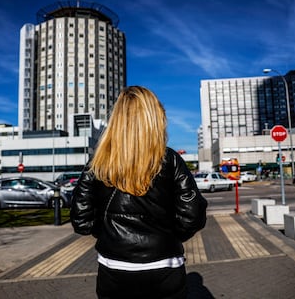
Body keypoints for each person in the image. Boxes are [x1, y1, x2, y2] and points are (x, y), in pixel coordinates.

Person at [71, 86, 208, 299]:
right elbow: (193, 217)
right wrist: (167, 237)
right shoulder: (170, 160)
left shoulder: (98, 162)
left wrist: (110, 235)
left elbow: (81, 221)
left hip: (114, 267)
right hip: (165, 265)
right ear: (155, 118)